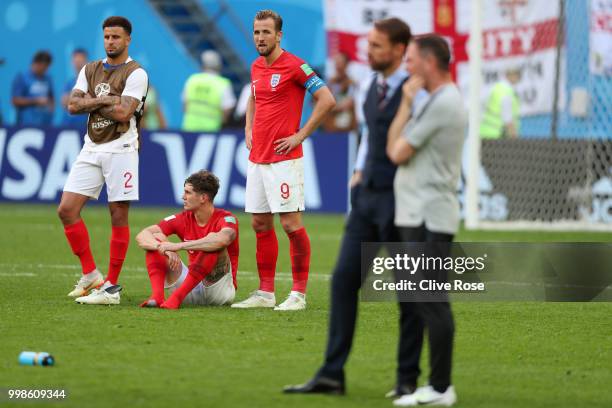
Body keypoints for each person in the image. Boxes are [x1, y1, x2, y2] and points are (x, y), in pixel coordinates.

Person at [283, 17, 412, 394]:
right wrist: (358, 173)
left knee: (410, 292)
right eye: (368, 43)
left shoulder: (414, 91)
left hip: (402, 201)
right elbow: (370, 137)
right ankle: (331, 373)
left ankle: (407, 381)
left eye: (376, 45)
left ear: (399, 50)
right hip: (367, 198)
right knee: (343, 281)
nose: (367, 51)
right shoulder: (373, 85)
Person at [230, 9, 335, 311]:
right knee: (260, 223)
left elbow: (327, 99)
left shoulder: (296, 66)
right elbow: (253, 97)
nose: (260, 38)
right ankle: (265, 293)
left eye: (266, 32)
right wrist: (248, 127)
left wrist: (300, 135)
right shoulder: (255, 66)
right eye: (256, 32)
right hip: (257, 157)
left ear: (279, 35)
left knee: (290, 224)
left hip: (284, 159)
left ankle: (299, 295)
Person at [385, 34, 467, 407]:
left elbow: (396, 151)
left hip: (430, 217)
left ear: (430, 62)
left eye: (412, 59)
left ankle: (440, 388)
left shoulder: (444, 102)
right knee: (424, 299)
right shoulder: (438, 99)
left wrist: (404, 104)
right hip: (421, 213)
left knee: (431, 300)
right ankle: (435, 385)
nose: (407, 66)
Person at [57, 16, 148, 305]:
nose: (111, 42)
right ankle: (91, 275)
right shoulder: (90, 68)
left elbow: (124, 114)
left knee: (118, 215)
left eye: (116, 37)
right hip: (91, 147)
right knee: (66, 210)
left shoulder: (136, 73)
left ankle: (110, 288)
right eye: (107, 37)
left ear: (128, 40)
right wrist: (108, 100)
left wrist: (91, 103)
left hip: (122, 148)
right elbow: (72, 106)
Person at [135, 171, 239, 308]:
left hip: (218, 292)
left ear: (203, 198)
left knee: (213, 243)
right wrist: (163, 248)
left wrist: (177, 246)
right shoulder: (183, 218)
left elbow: (223, 239)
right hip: (190, 288)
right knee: (156, 238)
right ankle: (157, 297)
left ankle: (176, 298)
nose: (183, 197)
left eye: (188, 193)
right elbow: (142, 235)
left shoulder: (226, 218)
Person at [181, 50, 235, 132]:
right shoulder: (223, 84)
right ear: (219, 66)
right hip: (212, 131)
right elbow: (227, 110)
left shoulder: (192, 79)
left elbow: (185, 106)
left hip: (189, 128)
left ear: (203, 64)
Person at [11, 50, 54, 126]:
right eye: (44, 67)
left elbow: (51, 97)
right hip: (25, 125)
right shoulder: (22, 78)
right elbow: (15, 100)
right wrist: (36, 101)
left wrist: (51, 109)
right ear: (37, 64)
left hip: (45, 125)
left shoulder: (48, 78)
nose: (46, 70)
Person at [479, 67, 521, 139]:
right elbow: (508, 119)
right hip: (497, 135)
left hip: (484, 132)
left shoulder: (496, 87)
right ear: (512, 76)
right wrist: (515, 137)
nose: (519, 79)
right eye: (518, 75)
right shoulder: (506, 93)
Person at [321, 52, 356, 132]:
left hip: (348, 130)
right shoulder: (329, 84)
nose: (338, 65)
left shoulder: (352, 84)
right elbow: (324, 105)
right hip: (330, 129)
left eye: (341, 62)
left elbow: (350, 104)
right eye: (336, 62)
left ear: (347, 64)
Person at [61, 48, 89, 129]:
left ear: (86, 62)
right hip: (67, 127)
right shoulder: (69, 83)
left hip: (85, 128)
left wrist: (73, 99)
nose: (78, 64)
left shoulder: (92, 83)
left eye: (81, 61)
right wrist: (84, 99)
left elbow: (93, 103)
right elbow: (64, 102)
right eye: (76, 61)